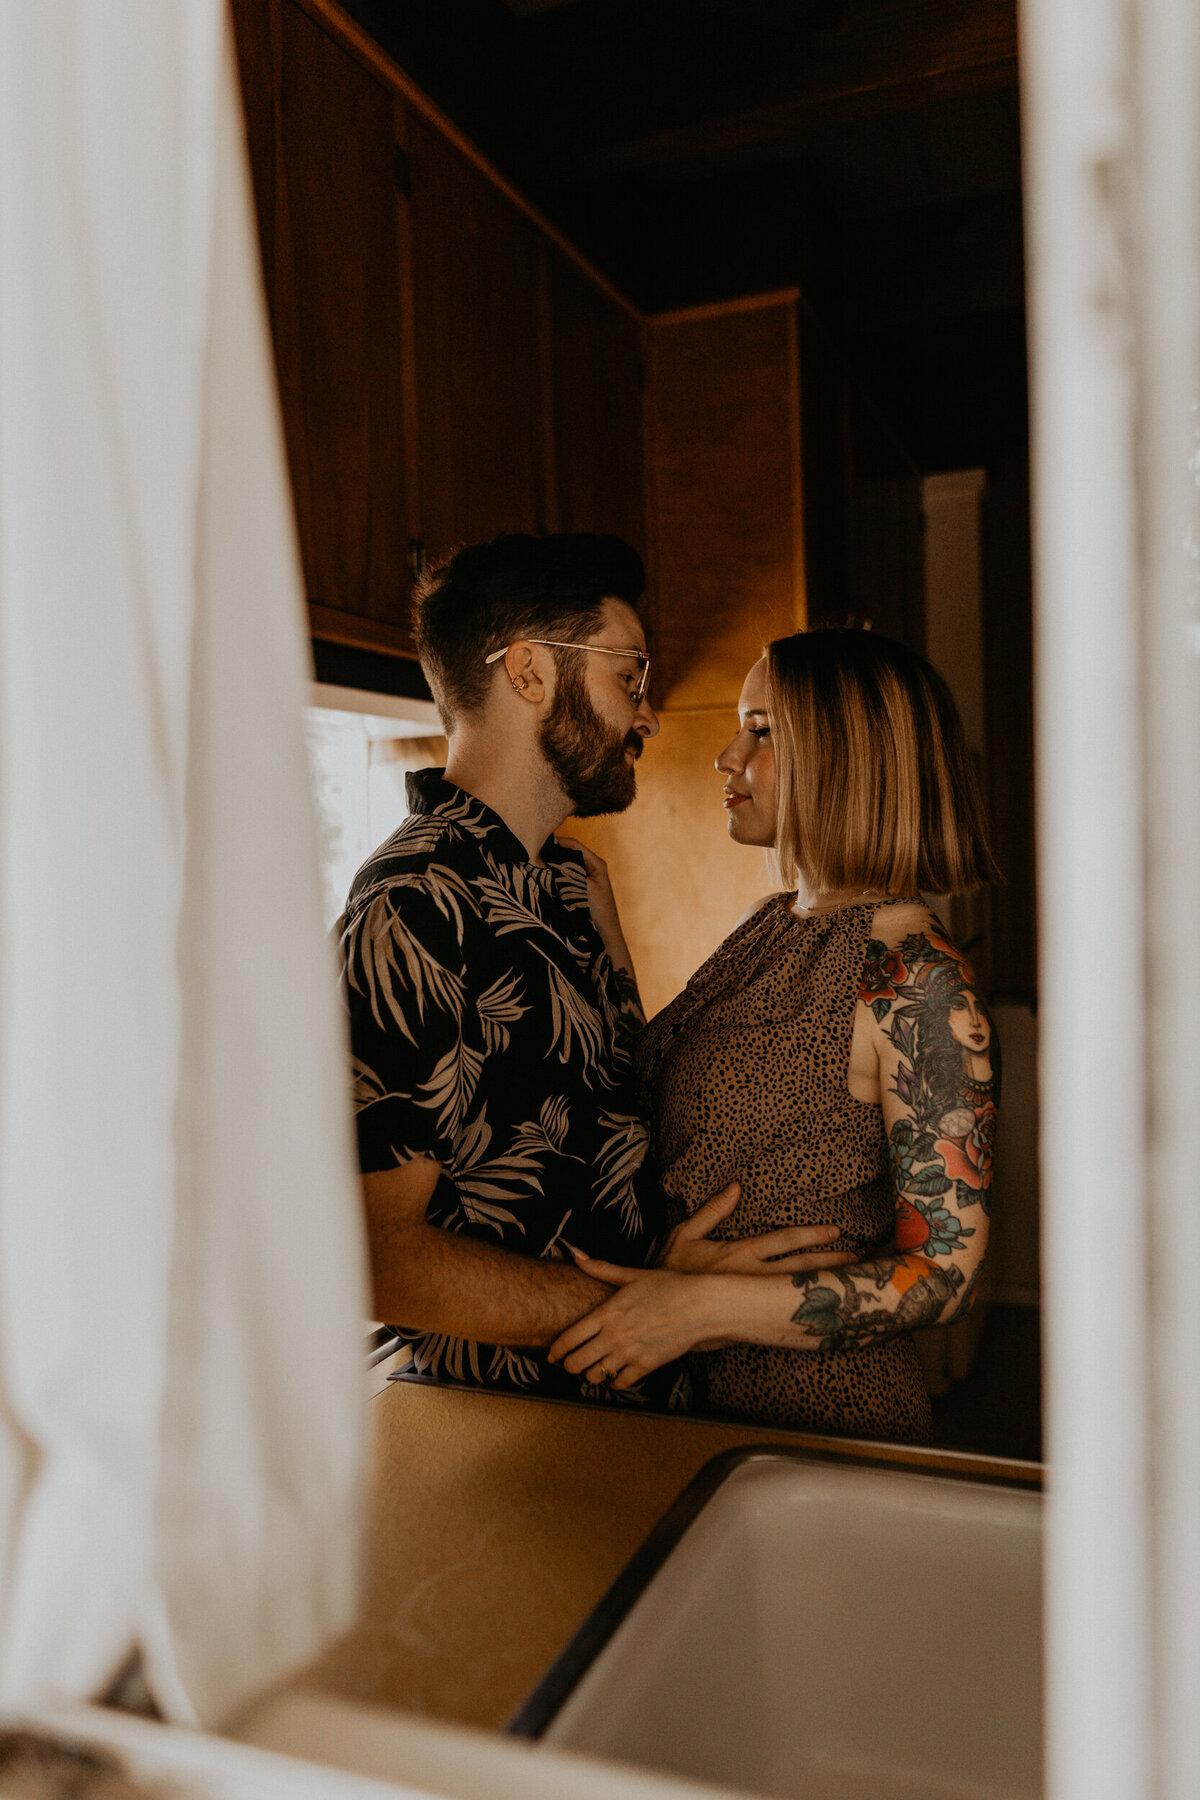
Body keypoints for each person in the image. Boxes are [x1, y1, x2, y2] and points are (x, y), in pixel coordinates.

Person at [338, 535, 850, 1407]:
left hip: (636, 1399)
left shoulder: (569, 885)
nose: (646, 715)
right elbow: (374, 1258)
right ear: (531, 673)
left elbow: (618, 1128)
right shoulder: (414, 905)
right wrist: (654, 1305)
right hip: (515, 1431)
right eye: (629, 675)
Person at [549, 628, 999, 1443]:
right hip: (691, 1393)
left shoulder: (916, 976)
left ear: (846, 757)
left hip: (822, 1416)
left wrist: (699, 1309)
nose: (727, 756)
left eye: (759, 731)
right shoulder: (775, 923)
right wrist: (606, 932)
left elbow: (945, 1274)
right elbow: (658, 1089)